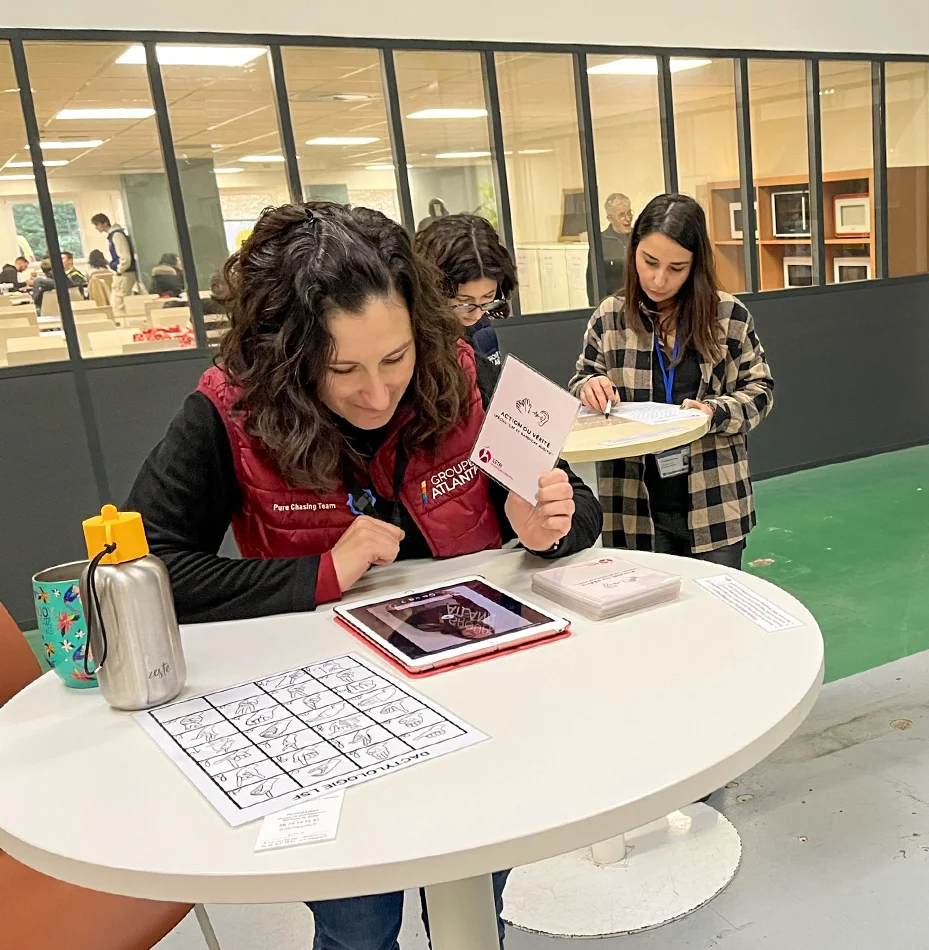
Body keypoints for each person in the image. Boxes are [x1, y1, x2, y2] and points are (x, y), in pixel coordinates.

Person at [125, 201, 603, 948]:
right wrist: (320, 572)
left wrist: (547, 525)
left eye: (396, 358)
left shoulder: (471, 374)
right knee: (357, 924)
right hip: (331, 719)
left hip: (478, 698)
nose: (377, 394)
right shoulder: (230, 409)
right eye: (341, 368)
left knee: (474, 906)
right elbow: (142, 568)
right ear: (287, 353)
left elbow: (573, 506)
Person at [570, 193, 774, 570]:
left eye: (676, 268)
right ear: (633, 252)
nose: (658, 279)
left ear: (696, 266)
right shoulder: (610, 317)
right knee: (647, 621)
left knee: (715, 619)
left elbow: (760, 392)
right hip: (633, 506)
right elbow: (582, 377)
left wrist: (713, 412)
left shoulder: (728, 316)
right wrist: (588, 387)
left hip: (713, 504)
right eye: (649, 262)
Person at [413, 213, 515, 368]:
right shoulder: (413, 343)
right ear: (432, 289)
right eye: (464, 302)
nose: (476, 314)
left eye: (488, 297)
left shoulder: (482, 330)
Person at [92, 212, 136, 311]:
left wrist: (119, 270)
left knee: (118, 303)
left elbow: (125, 256)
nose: (96, 228)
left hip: (125, 273)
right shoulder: (114, 235)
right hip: (124, 272)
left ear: (104, 223)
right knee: (117, 302)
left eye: (97, 224)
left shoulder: (116, 235)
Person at [598, 192, 633, 295]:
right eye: (621, 215)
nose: (628, 218)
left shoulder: (639, 236)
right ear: (610, 218)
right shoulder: (601, 242)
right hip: (612, 302)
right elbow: (593, 281)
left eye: (629, 213)